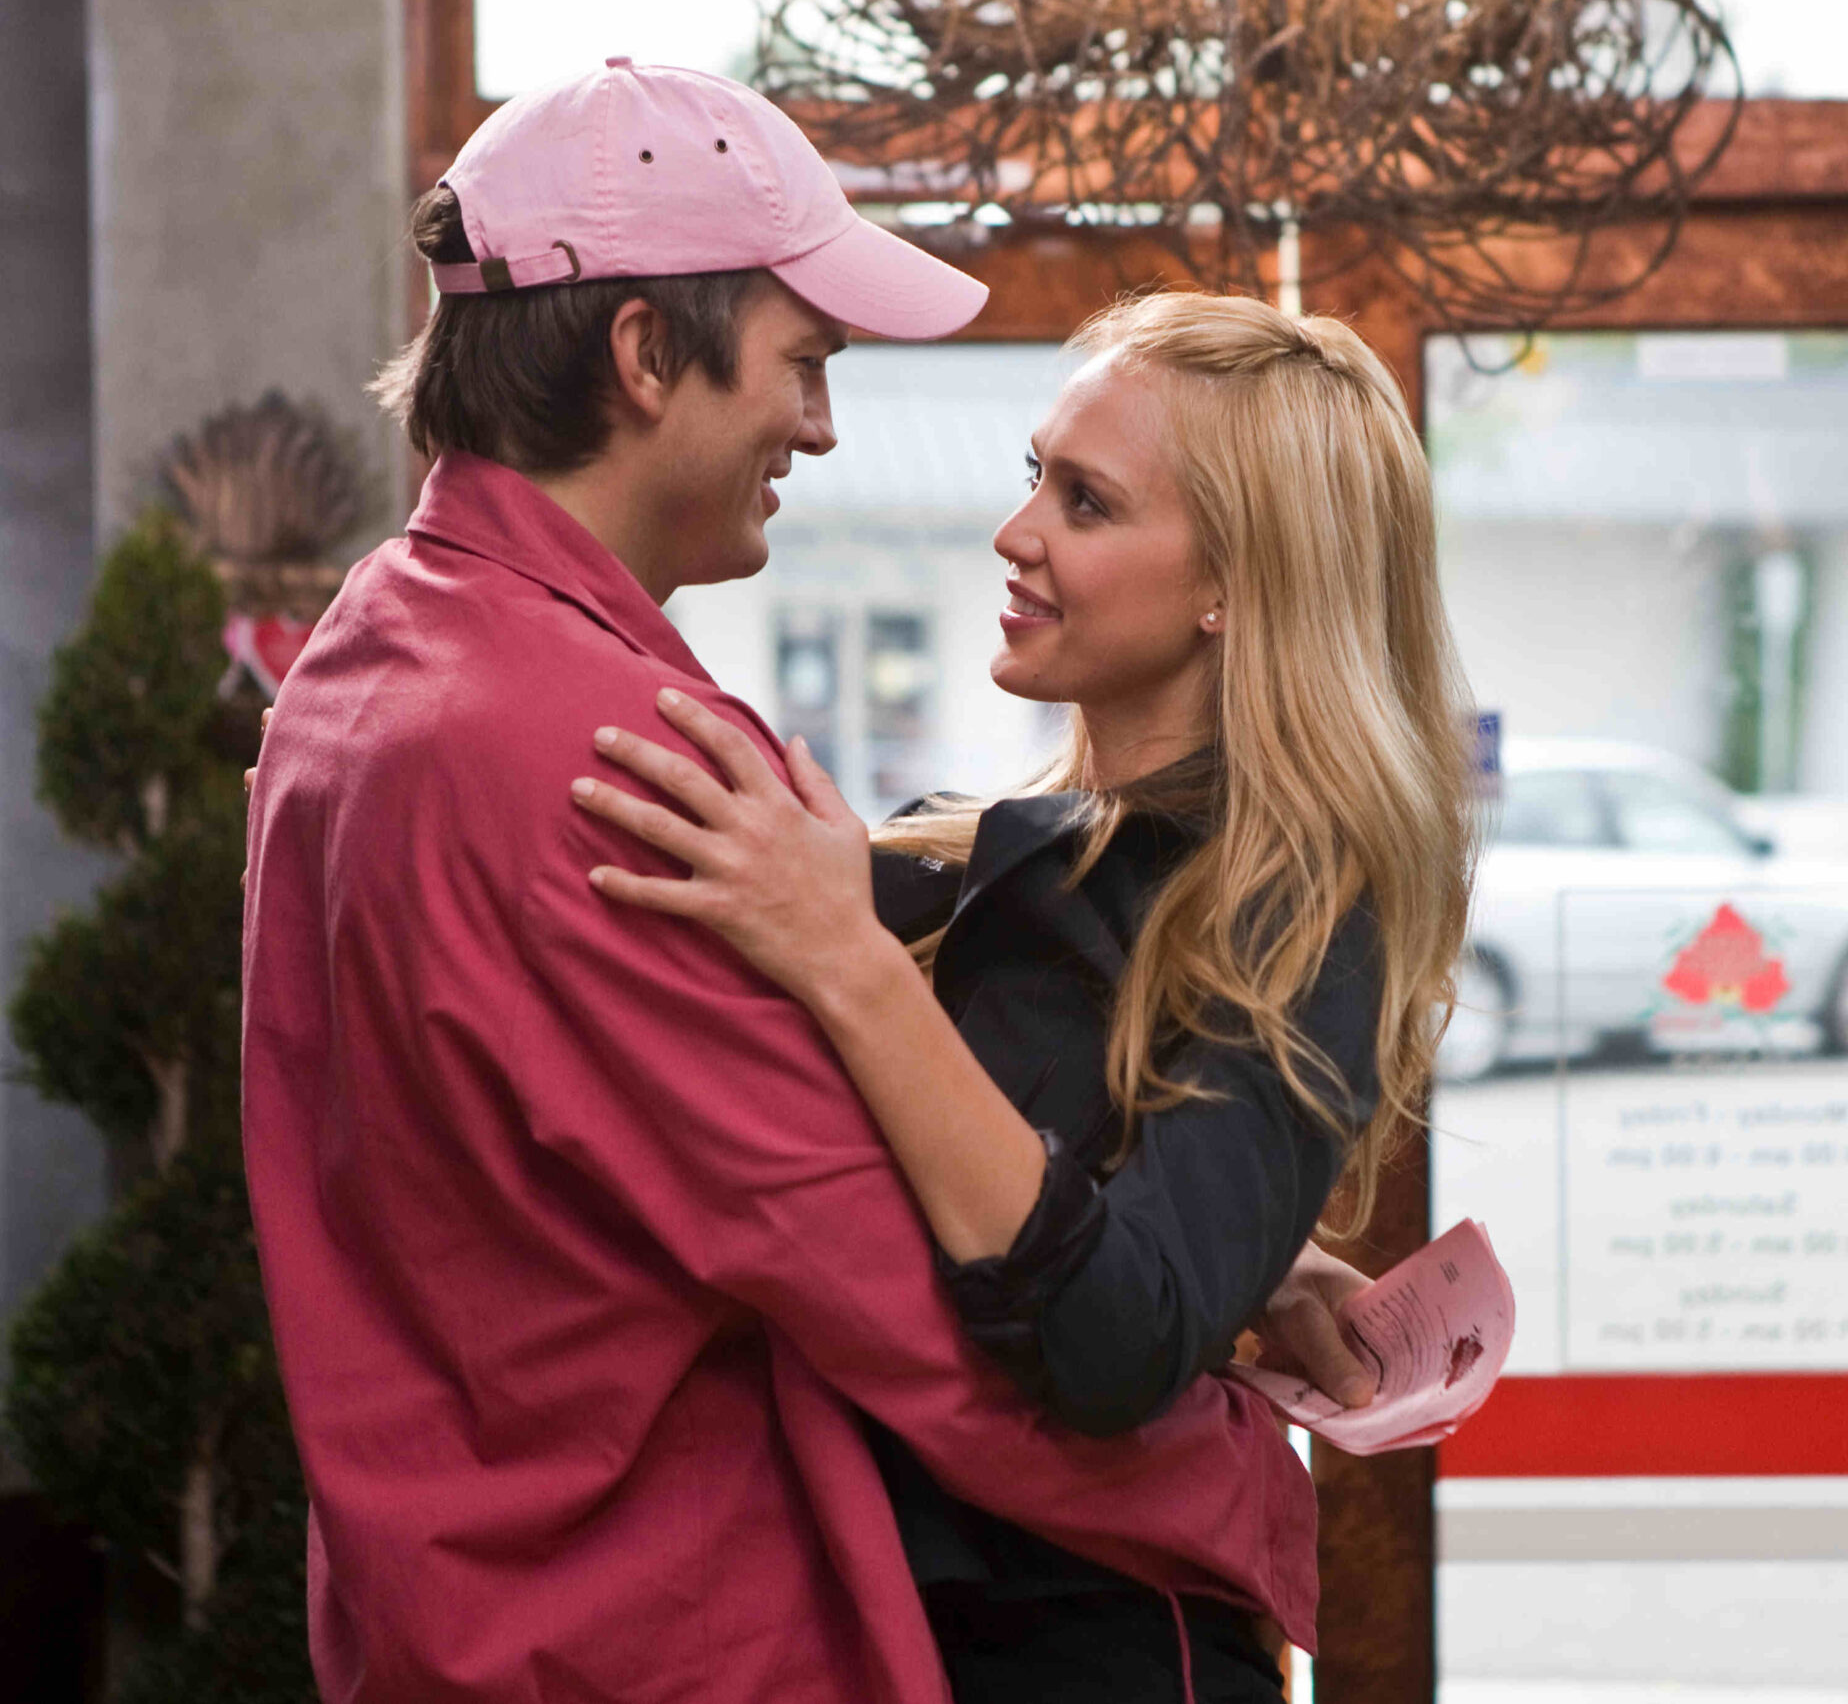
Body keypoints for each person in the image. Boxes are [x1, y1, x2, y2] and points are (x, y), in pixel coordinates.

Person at [241, 61, 1368, 1704]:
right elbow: (874, 1279)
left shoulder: (376, 648)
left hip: (459, 1609)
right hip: (659, 1629)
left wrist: (1217, 1256)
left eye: (1085, 496)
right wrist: (1230, 1483)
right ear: (641, 356)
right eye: (804, 360)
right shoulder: (606, 748)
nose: (825, 425)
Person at [567, 289, 1481, 1703]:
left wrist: (855, 967)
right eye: (1033, 478)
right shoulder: (954, 853)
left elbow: (1111, 1338)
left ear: (1233, 584)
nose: (1017, 533)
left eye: (1088, 501)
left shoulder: (1297, 911)